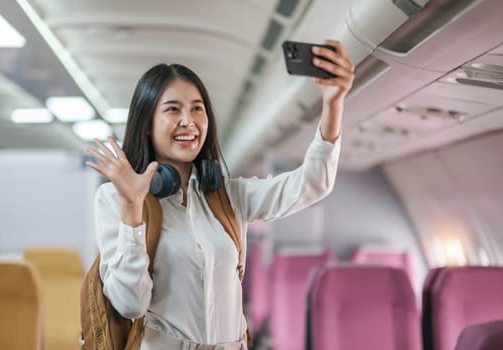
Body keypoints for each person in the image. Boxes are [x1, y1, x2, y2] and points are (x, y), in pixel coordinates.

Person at [85, 39, 354, 349]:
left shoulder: (228, 196)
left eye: (197, 109)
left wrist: (333, 104)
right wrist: (132, 207)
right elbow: (130, 304)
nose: (188, 121)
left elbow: (313, 183)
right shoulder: (113, 199)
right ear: (146, 123)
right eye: (173, 109)